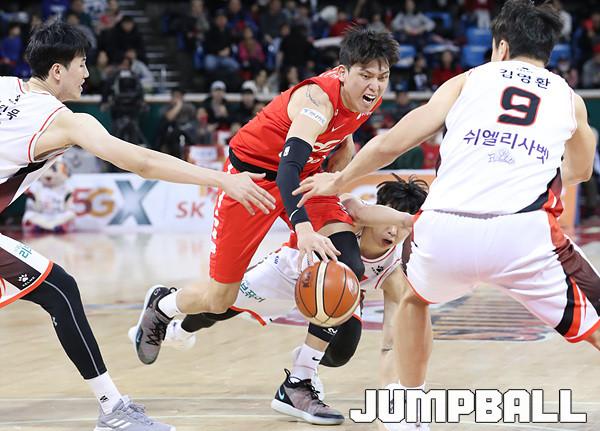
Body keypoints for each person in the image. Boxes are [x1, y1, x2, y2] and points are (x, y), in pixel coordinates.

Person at [295, 1, 599, 430]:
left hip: (443, 228)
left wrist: (339, 180)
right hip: (522, 232)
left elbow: (392, 143)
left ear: (500, 47)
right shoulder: (569, 98)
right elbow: (580, 171)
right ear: (547, 52)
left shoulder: (467, 80)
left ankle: (409, 406)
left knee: (414, 299)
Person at [1, 20, 274, 431]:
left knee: (58, 289)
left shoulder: (4, 87)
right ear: (57, 70)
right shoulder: (65, 121)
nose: (87, 73)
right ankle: (112, 409)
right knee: (60, 289)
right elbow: (142, 162)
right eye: (81, 64)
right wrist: (223, 180)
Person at [131, 27, 400, 396]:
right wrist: (303, 228)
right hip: (251, 182)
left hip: (305, 180)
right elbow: (287, 166)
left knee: (346, 263)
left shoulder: (367, 98)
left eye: (382, 77)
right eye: (366, 75)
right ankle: (164, 305)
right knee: (219, 299)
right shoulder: (317, 100)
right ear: (342, 72)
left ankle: (299, 380)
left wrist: (341, 157)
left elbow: (339, 134)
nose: (375, 85)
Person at [130, 175, 428, 426]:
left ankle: (302, 371)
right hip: (288, 272)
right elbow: (358, 210)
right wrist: (408, 217)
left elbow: (391, 343)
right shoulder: (351, 211)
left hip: (334, 295)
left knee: (341, 353)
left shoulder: (394, 271)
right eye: (391, 218)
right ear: (380, 210)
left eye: (403, 226)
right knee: (217, 307)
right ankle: (172, 318)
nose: (394, 230)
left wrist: (391, 396)